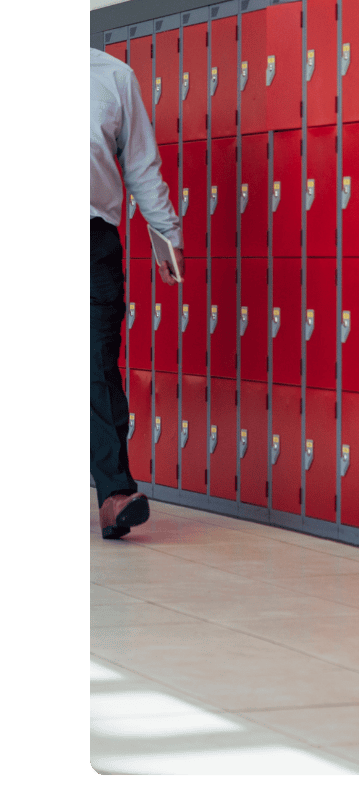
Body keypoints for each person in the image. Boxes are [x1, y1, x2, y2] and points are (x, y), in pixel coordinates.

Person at [90, 47, 184, 539]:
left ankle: (114, 496)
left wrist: (166, 234)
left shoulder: (114, 76)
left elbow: (142, 164)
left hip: (92, 240)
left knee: (98, 365)